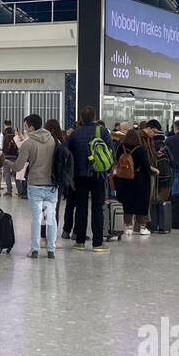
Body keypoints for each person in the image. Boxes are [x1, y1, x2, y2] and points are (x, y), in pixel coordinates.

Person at [68, 106, 114, 251]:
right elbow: (110, 152)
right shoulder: (102, 131)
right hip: (98, 175)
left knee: (80, 208)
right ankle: (97, 243)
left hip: (80, 176)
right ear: (94, 117)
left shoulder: (75, 133)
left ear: (81, 118)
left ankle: (80, 241)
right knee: (97, 208)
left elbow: (68, 155)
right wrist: (109, 170)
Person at [14, 114, 58, 258]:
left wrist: (5, 163)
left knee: (36, 218)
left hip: (35, 184)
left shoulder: (28, 143)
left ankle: (35, 249)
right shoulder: (53, 140)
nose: (25, 130)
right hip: (52, 185)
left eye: (26, 126)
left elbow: (18, 166)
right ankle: (51, 249)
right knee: (51, 218)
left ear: (31, 127)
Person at [114, 126, 154, 237]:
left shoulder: (120, 147)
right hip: (139, 180)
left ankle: (128, 227)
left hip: (123, 180)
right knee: (141, 203)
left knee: (126, 203)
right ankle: (141, 227)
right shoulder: (140, 149)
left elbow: (117, 161)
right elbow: (146, 166)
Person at [0, 121, 19, 196]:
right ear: (11, 124)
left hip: (6, 156)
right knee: (16, 174)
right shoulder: (15, 132)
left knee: (7, 173)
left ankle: (9, 191)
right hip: (15, 156)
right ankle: (20, 191)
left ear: (4, 124)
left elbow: (1, 145)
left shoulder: (3, 133)